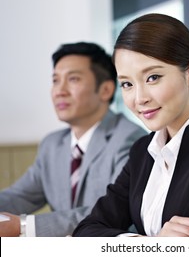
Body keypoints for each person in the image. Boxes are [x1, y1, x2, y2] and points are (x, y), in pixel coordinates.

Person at [72, 13, 189, 237]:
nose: (139, 98)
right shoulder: (142, 151)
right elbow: (87, 230)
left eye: (152, 77)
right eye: (127, 83)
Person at [0, 42, 147, 237]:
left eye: (73, 79)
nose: (59, 90)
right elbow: (19, 196)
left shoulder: (130, 138)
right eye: (55, 80)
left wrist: (24, 226)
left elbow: (112, 211)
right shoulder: (52, 145)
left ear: (106, 90)